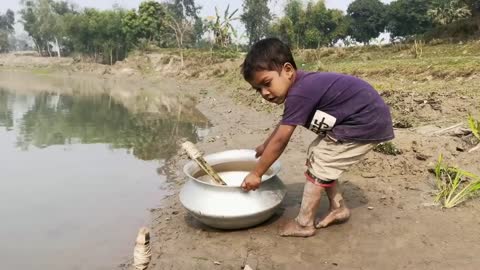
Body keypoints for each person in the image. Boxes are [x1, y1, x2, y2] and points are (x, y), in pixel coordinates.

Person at [239, 38, 394, 237]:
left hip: (365, 122)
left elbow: (282, 139)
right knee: (318, 155)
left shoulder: (299, 92)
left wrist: (256, 173)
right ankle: (338, 208)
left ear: (288, 70)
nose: (264, 93)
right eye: (258, 89)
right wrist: (265, 144)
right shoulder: (299, 89)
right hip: (357, 121)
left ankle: (304, 223)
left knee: (322, 159)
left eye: (267, 83)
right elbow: (283, 126)